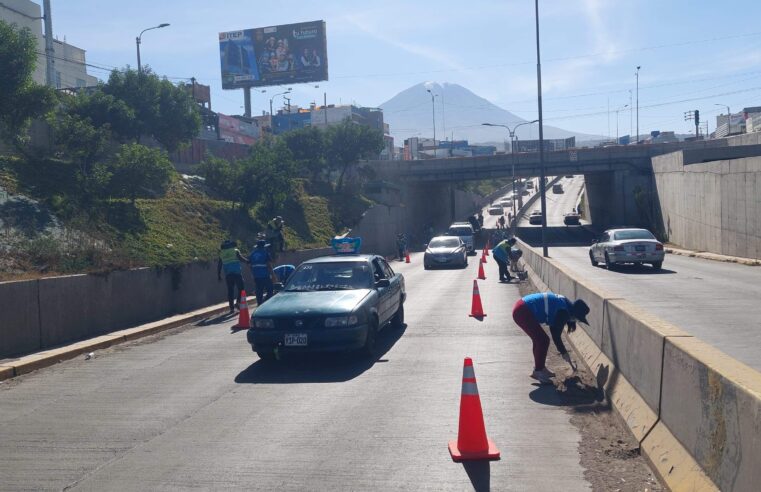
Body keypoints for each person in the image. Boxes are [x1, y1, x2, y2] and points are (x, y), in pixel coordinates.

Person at [512, 292, 590, 383]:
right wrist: (564, 352)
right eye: (577, 319)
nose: (576, 321)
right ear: (574, 314)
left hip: (522, 306)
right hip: (523, 311)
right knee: (543, 341)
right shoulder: (563, 312)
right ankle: (538, 371)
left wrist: (563, 351)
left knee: (539, 340)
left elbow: (554, 330)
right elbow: (556, 336)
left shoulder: (565, 304)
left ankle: (540, 367)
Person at [217, 240, 248, 313]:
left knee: (230, 291)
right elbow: (241, 258)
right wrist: (248, 261)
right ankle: (238, 302)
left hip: (228, 274)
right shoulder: (235, 250)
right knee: (241, 288)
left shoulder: (222, 253)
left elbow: (219, 265)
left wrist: (218, 275)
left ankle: (231, 308)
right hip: (237, 273)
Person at [248, 238, 275, 306]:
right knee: (270, 290)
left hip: (256, 276)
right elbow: (269, 265)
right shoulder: (265, 253)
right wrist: (273, 275)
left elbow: (250, 265)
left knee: (259, 291)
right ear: (264, 246)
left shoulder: (252, 254)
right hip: (265, 275)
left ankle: (259, 304)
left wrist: (252, 275)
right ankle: (265, 303)